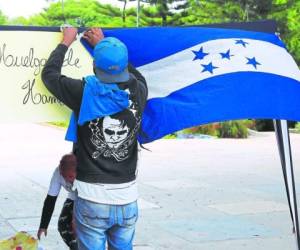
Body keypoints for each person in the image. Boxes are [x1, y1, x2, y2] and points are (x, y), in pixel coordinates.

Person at [41, 27, 148, 250]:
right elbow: (136, 75)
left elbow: (49, 76)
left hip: (93, 199)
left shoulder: (83, 92)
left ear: (94, 66)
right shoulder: (139, 91)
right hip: (128, 198)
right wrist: (103, 43)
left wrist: (66, 42)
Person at [37, 153, 77, 250]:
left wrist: (75, 219)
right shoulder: (58, 173)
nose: (67, 180)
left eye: (71, 177)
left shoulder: (85, 172)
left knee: (79, 227)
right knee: (63, 224)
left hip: (89, 197)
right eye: (64, 176)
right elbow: (50, 199)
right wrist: (43, 225)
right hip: (73, 196)